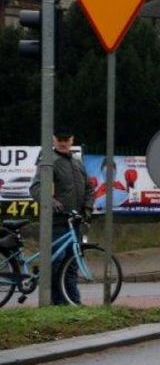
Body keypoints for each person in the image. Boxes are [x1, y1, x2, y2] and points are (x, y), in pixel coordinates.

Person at [29, 127, 94, 305]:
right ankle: (56, 302)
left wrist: (88, 208)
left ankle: (73, 302)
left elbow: (89, 188)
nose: (63, 143)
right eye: (60, 139)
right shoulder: (49, 161)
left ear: (72, 140)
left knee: (71, 264)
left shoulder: (77, 162)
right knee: (55, 263)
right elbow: (36, 188)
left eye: (66, 139)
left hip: (76, 222)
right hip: (56, 222)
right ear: (54, 140)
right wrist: (52, 202)